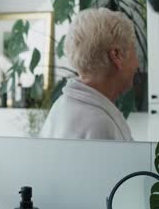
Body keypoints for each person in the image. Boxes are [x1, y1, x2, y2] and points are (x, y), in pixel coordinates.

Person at [40, 8, 138, 141]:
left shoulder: (60, 106)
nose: (137, 64)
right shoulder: (99, 124)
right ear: (117, 55)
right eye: (134, 51)